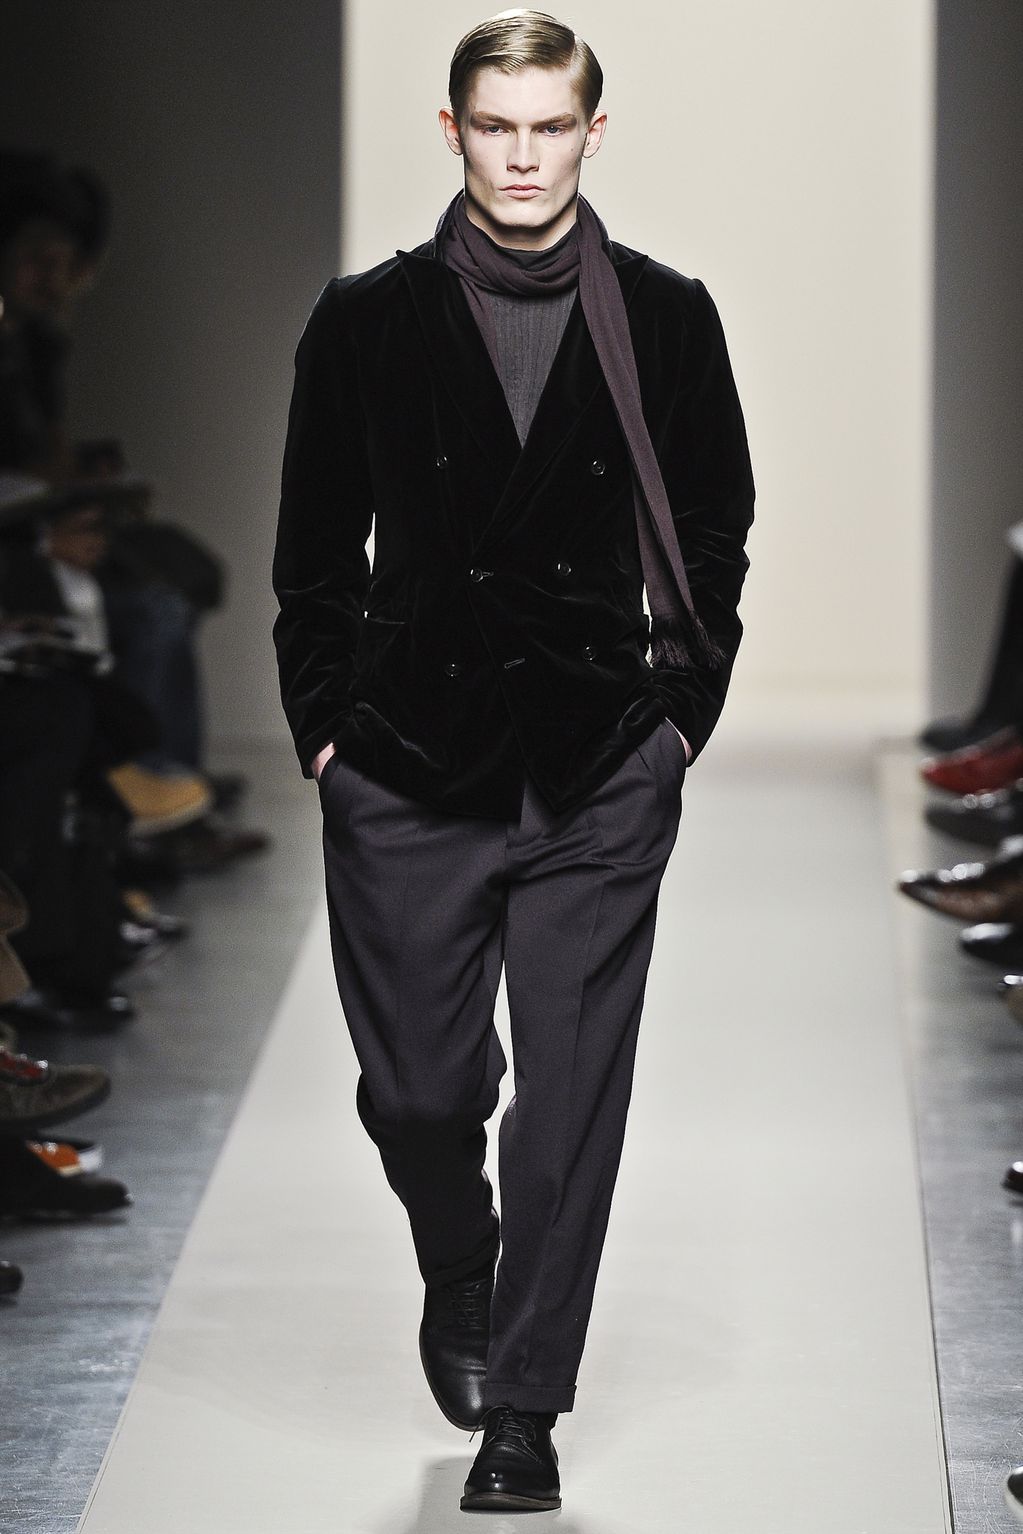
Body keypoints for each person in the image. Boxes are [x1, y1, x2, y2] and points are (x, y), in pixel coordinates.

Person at [273, 9, 754, 1514]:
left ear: (593, 132)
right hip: (408, 761)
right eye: (498, 127)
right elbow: (312, 552)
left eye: (551, 127)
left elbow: (715, 532)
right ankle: (457, 1256)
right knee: (424, 1095)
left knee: (569, 1099)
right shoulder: (366, 319)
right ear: (454, 132)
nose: (526, 156)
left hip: (596, 762)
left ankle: (526, 1408)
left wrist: (677, 718)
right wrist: (326, 728)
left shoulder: (664, 317)